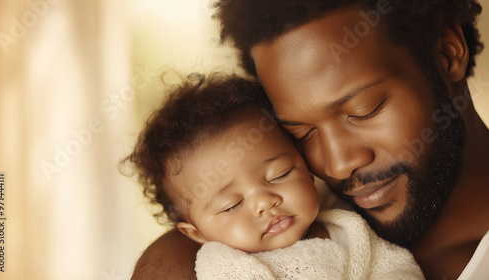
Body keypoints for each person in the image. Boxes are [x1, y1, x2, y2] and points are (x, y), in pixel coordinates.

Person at [131, 1, 489, 279]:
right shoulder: (305, 205)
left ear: (448, 52)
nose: (335, 164)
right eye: (301, 133)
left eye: (364, 110)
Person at [126, 73, 424, 279]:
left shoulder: (351, 232)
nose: (264, 203)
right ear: (197, 234)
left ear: (306, 169)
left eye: (279, 174)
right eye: (231, 205)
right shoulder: (223, 266)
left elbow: (396, 268)